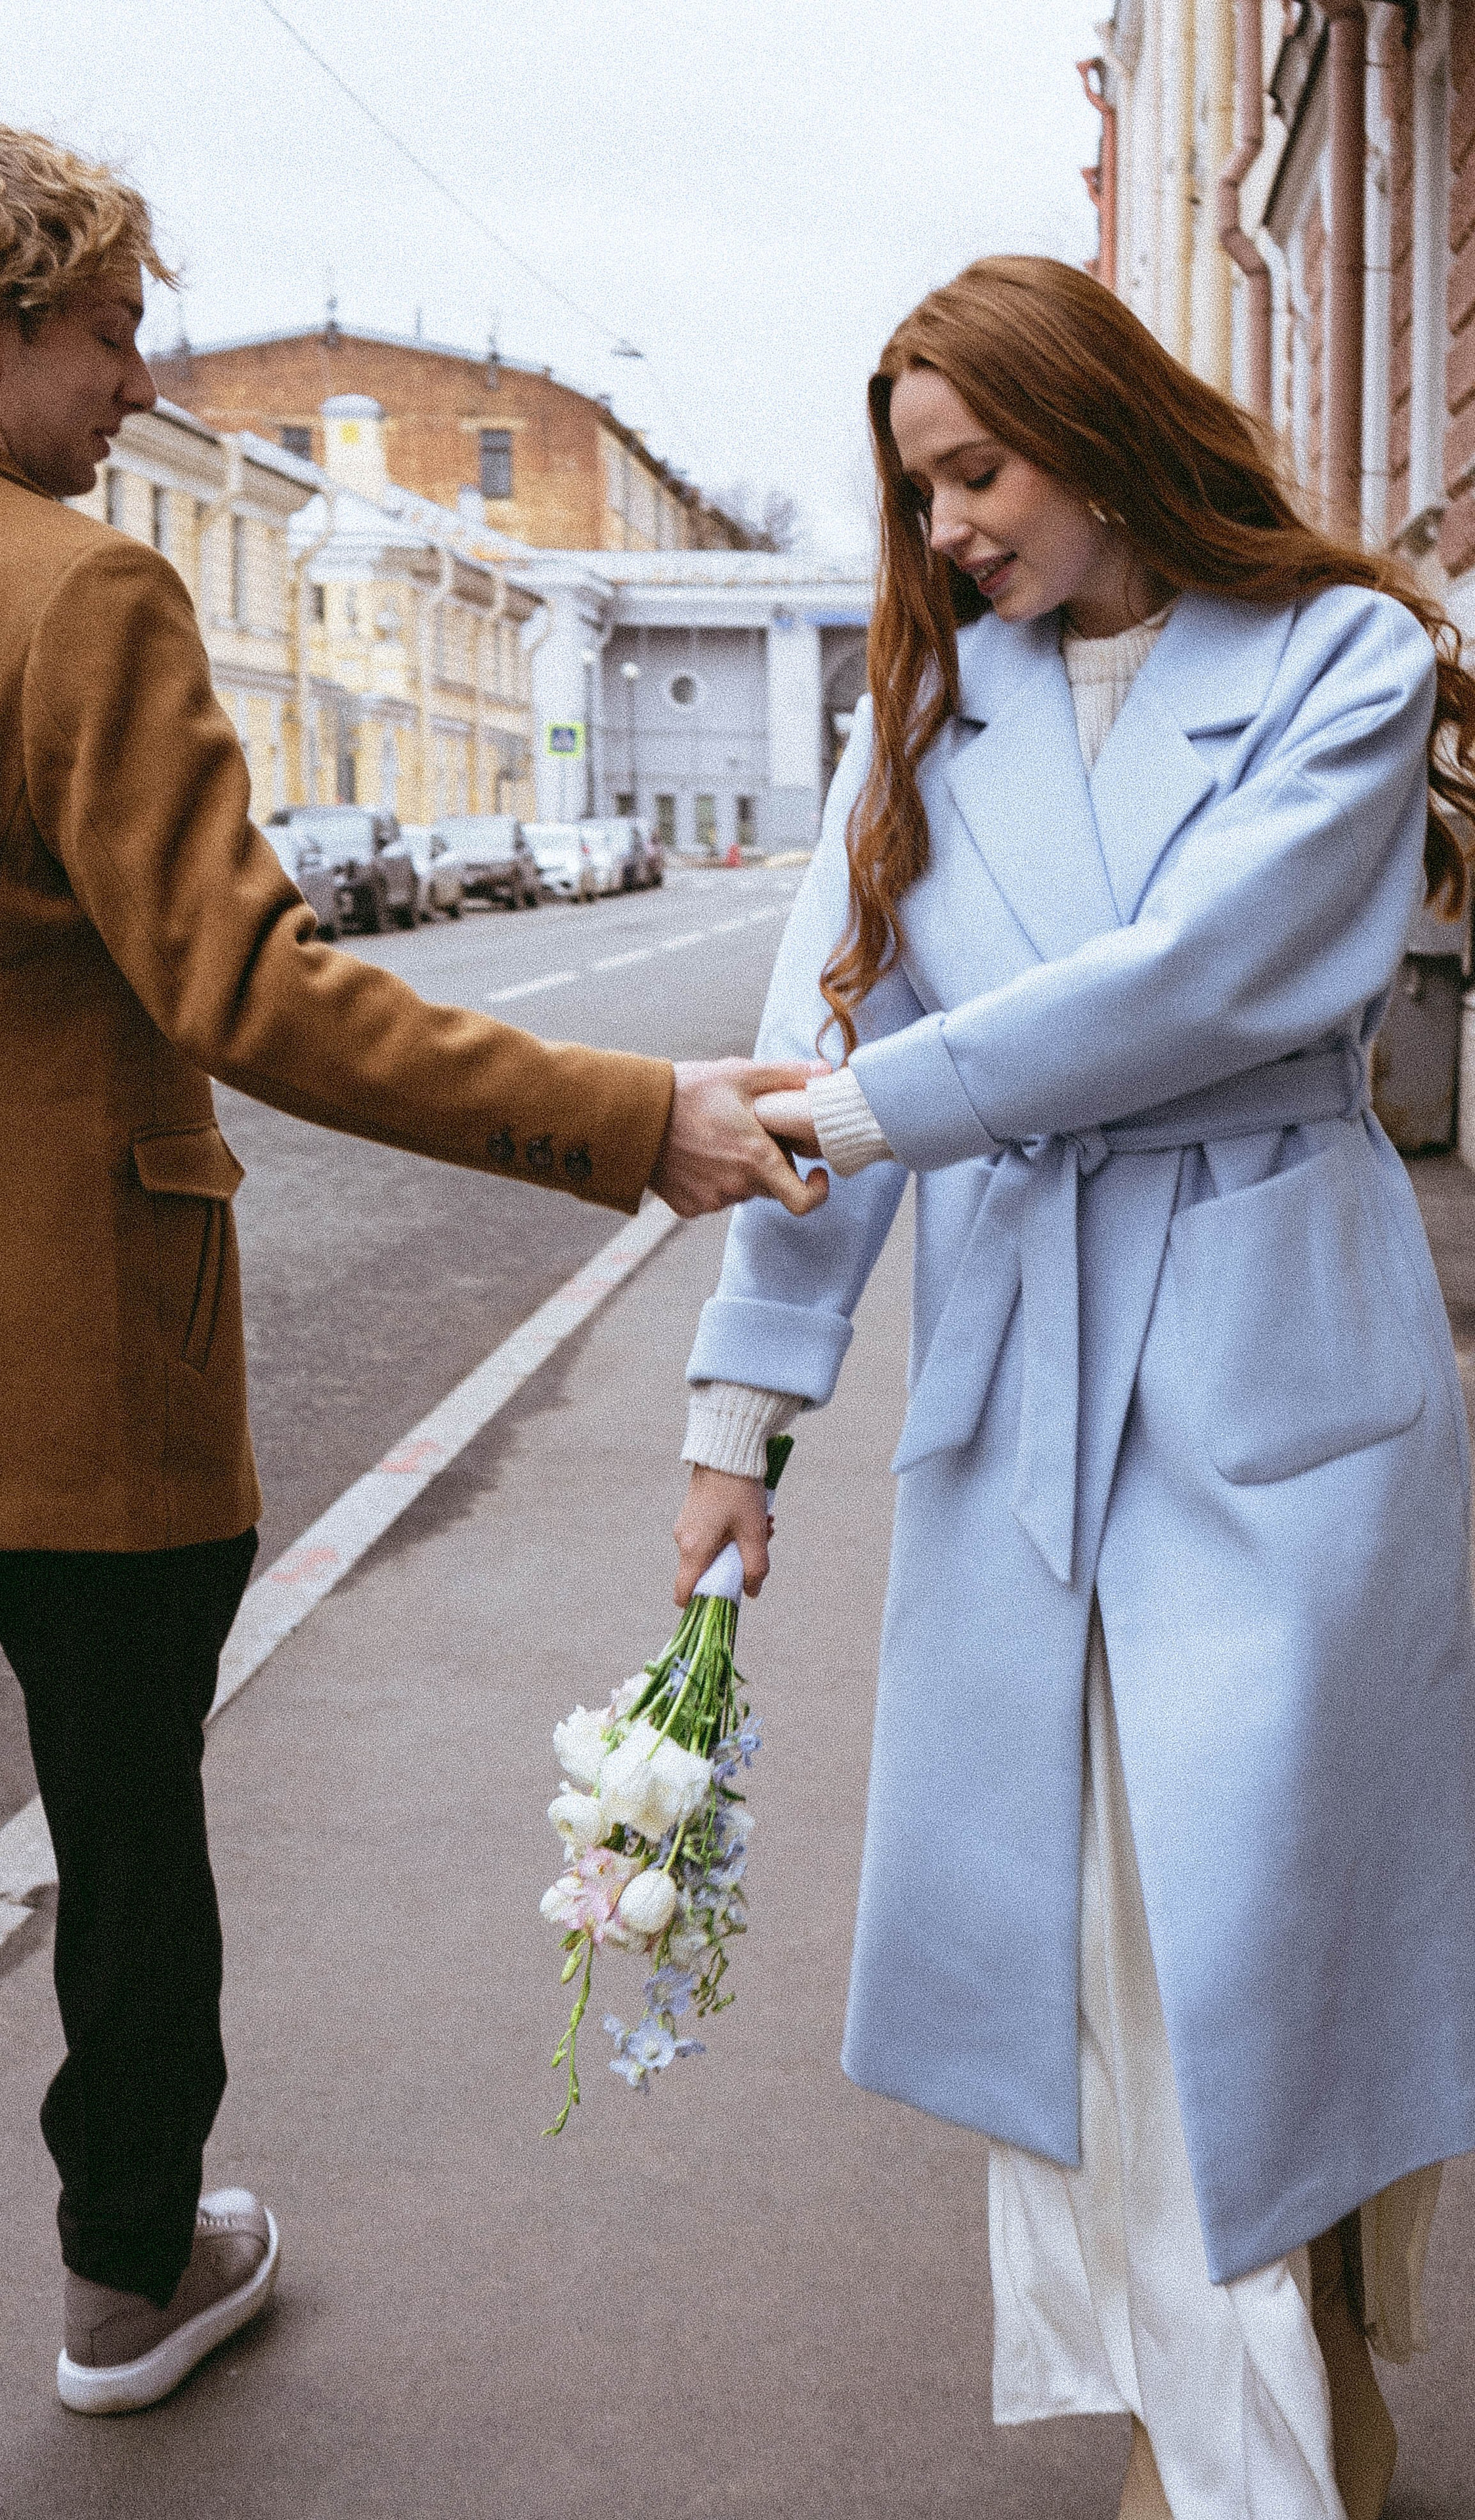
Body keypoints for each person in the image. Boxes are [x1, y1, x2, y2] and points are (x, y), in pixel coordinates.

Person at [0, 122, 824, 2520]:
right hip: (87, 1372)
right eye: (114, 325)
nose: (137, 376)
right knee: (131, 1849)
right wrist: (625, 1115)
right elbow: (248, 987)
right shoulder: (72, 593)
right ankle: (128, 2286)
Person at [673, 255, 1475, 2520]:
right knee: (1103, 1924)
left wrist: (862, 1112)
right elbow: (811, 1057)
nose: (943, 532)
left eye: (978, 470)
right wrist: (745, 1418)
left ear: (1104, 430)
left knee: (1279, 1914)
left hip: (1275, 1352)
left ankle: (1306, 2339)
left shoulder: (1345, 652)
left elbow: (1201, 979)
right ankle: (1210, 2421)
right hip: (1031, 1368)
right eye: (918, 489)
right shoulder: (925, 716)